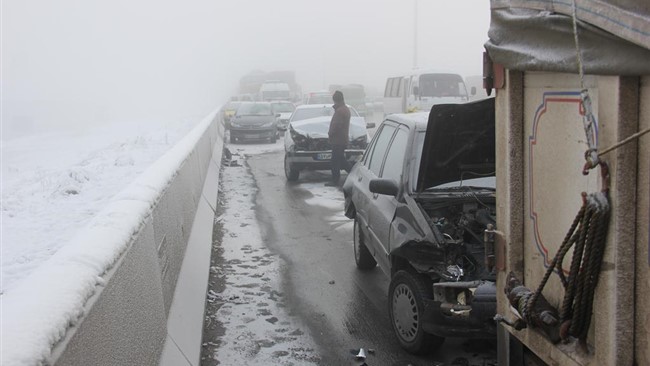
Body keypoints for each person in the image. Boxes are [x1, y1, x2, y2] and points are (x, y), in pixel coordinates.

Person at [326, 90, 351, 186]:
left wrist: (330, 133)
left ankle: (335, 180)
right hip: (342, 139)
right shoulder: (345, 109)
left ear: (335, 100)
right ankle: (354, 173)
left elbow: (336, 125)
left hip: (338, 140)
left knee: (335, 161)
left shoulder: (340, 111)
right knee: (341, 159)